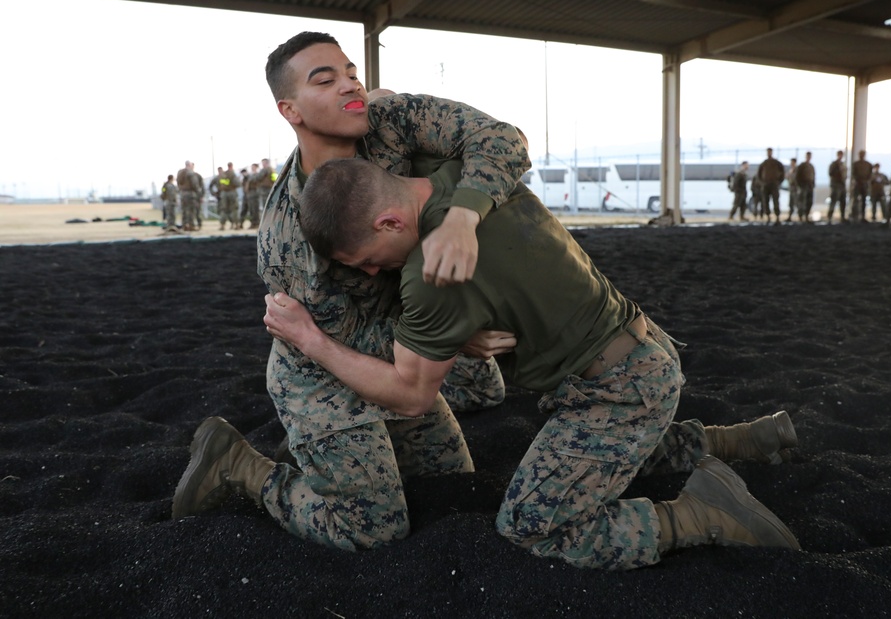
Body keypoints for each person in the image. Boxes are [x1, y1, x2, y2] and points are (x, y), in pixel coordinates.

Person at [261, 155, 801, 570]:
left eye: (369, 261)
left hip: (616, 390)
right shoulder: (466, 178)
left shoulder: (433, 274)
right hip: (640, 346)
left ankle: (701, 514)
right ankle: (740, 441)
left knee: (534, 527)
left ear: (387, 223)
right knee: (604, 451)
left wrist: (312, 341)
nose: (375, 275)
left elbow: (411, 395)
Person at [172, 31, 530, 552]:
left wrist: (462, 216)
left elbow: (504, 139)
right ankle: (241, 467)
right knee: (371, 530)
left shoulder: (388, 122)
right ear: (289, 110)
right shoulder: (290, 236)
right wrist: (452, 336)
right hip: (323, 368)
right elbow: (348, 339)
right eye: (327, 79)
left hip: (404, 333)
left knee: (448, 485)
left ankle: (342, 461)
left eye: (351, 72)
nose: (350, 85)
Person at [756, 148, 784, 224]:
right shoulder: (764, 164)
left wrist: (778, 182)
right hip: (765, 185)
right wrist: (762, 183)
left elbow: (782, 173)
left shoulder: (777, 163)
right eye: (768, 152)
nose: (769, 153)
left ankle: (777, 217)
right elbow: (758, 174)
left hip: (774, 184)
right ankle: (768, 216)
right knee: (765, 201)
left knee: (776, 201)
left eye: (770, 152)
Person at [176, 160, 200, 231]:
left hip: (182, 193)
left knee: (184, 210)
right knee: (191, 210)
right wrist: (198, 191)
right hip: (190, 193)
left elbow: (178, 182)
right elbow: (194, 183)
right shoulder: (190, 172)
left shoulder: (180, 173)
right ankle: (191, 225)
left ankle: (184, 225)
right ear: (189, 165)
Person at [850, 150, 873, 222]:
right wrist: (858, 180)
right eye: (861, 154)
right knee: (855, 200)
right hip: (857, 184)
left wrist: (865, 181)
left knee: (863, 201)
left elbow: (870, 174)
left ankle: (863, 216)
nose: (862, 155)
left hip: (864, 184)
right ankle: (854, 215)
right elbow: (853, 174)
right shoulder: (855, 164)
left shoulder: (868, 164)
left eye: (863, 154)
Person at [217, 162, 242, 230]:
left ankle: (222, 225)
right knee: (234, 209)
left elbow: (221, 183)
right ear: (231, 166)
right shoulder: (232, 174)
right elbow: (237, 184)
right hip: (232, 193)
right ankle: (236, 224)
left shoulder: (223, 174)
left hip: (224, 193)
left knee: (224, 209)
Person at [794, 151, 816, 223]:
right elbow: (797, 176)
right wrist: (799, 185)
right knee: (802, 201)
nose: (809, 158)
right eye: (808, 156)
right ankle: (801, 216)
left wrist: (812, 184)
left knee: (809, 201)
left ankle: (806, 216)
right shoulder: (802, 166)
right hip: (803, 185)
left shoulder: (811, 166)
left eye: (810, 156)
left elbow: (813, 176)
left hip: (810, 186)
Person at [827, 150, 847, 223]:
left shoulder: (843, 164)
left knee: (843, 202)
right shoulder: (834, 164)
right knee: (833, 201)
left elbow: (845, 174)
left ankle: (842, 216)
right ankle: (830, 216)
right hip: (836, 185)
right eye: (839, 155)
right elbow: (831, 173)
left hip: (842, 185)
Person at [784, 157, 797, 223]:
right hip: (791, 189)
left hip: (796, 189)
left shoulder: (796, 170)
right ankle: (790, 216)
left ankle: (801, 216)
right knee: (791, 204)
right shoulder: (790, 170)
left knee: (797, 203)